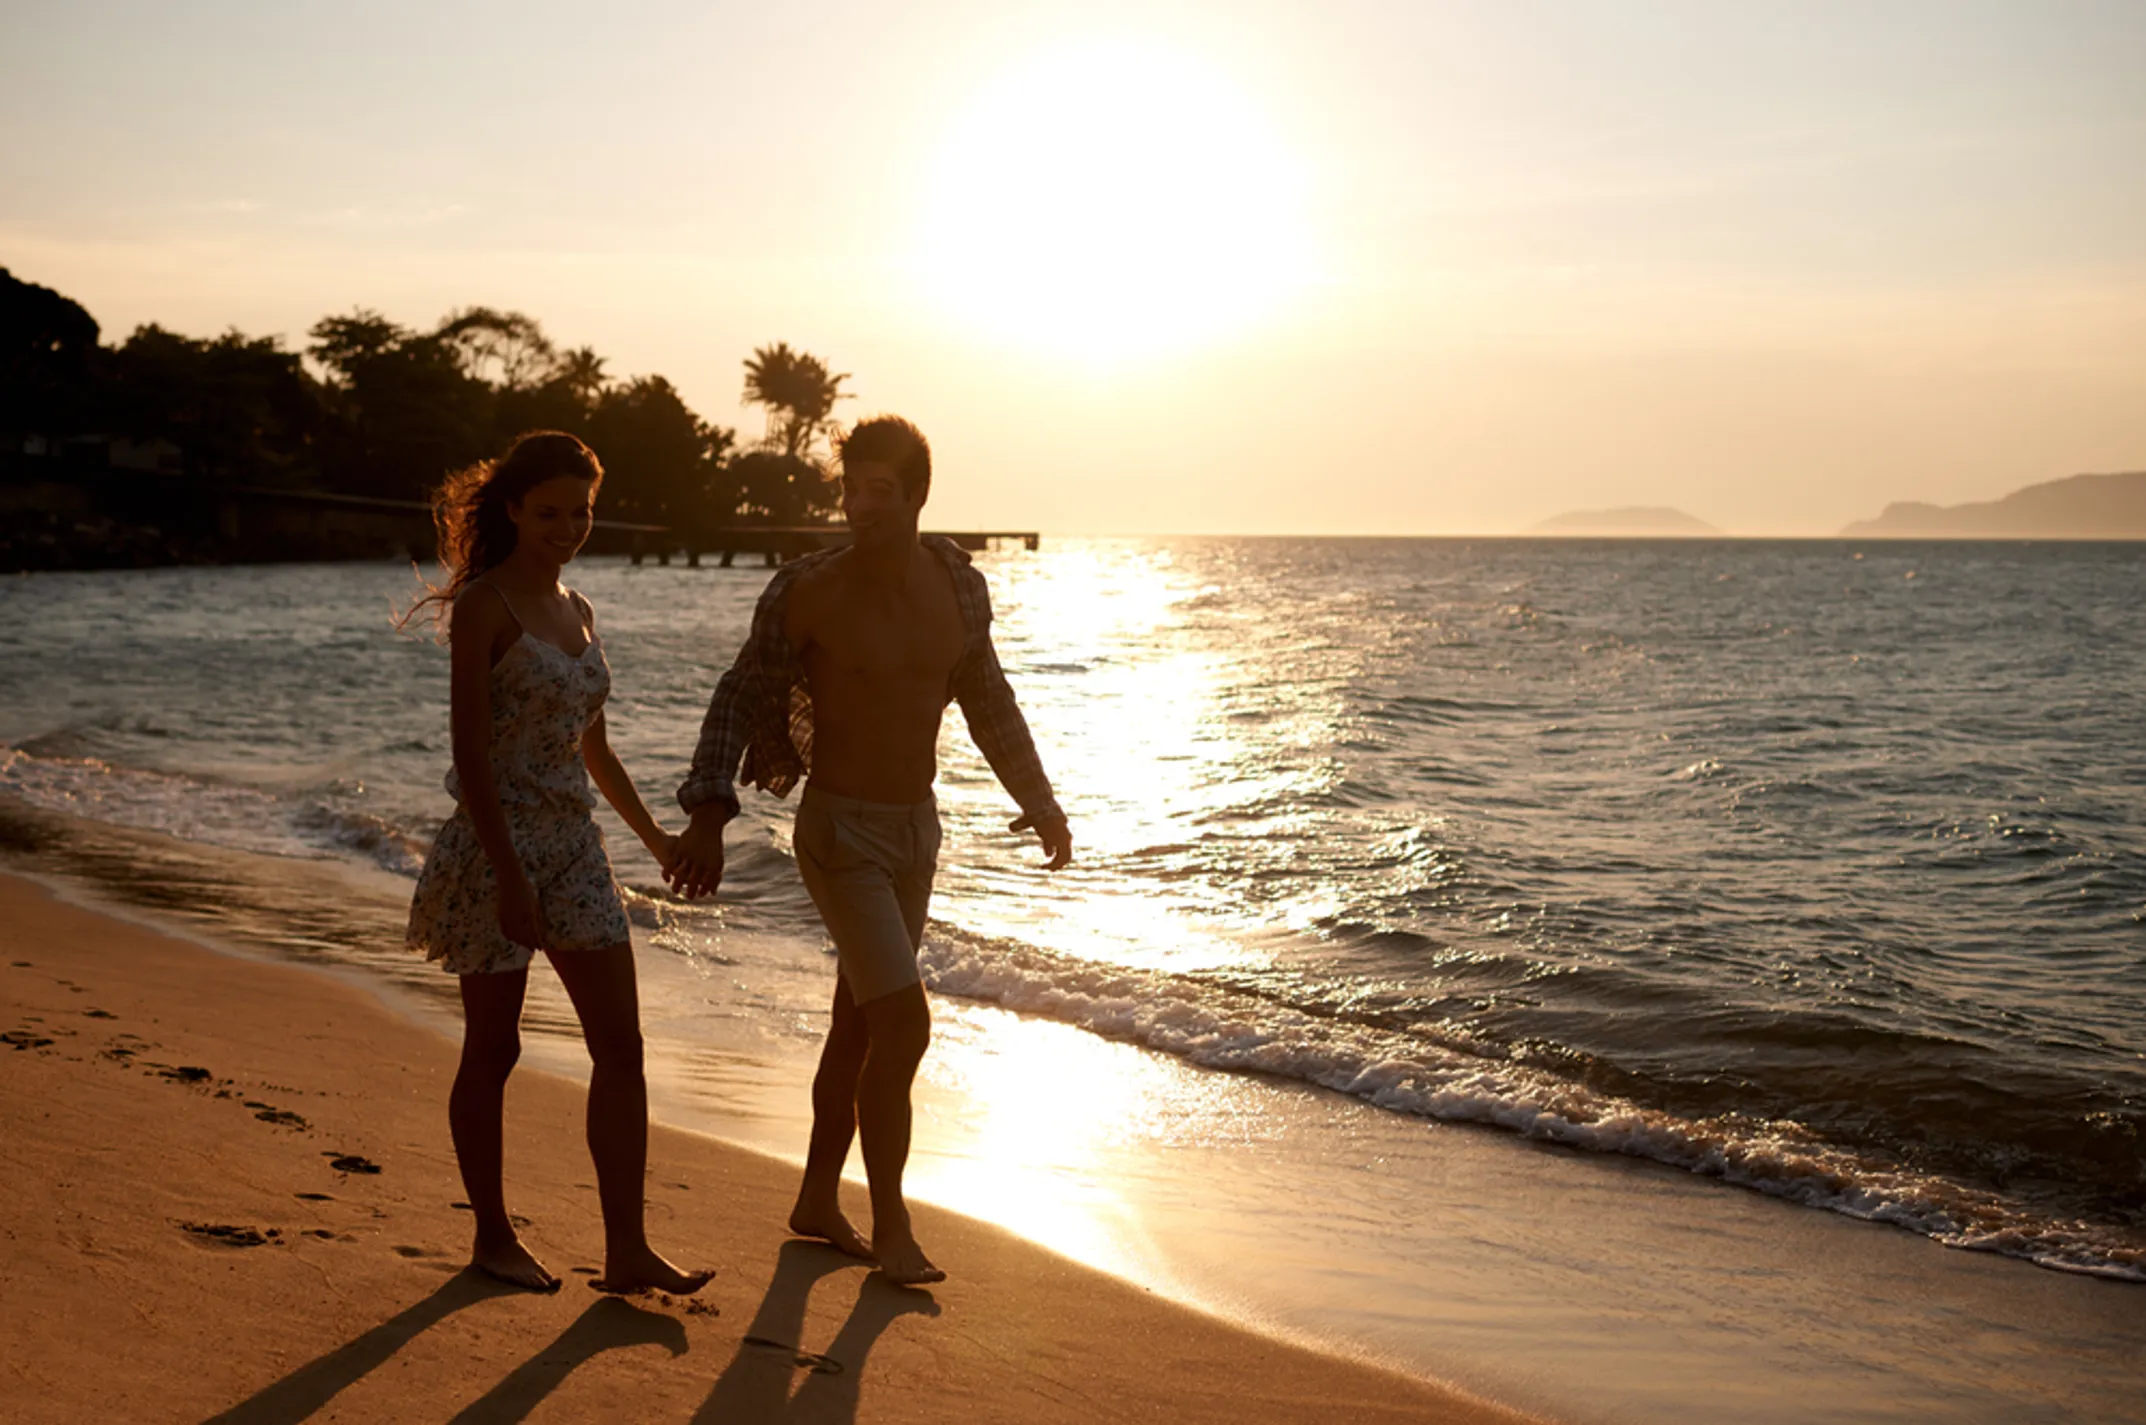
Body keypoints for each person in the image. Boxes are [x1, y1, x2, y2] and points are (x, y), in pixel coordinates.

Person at [666, 415, 1071, 1286]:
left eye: (878, 491)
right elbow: (740, 695)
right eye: (849, 489)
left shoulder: (958, 592)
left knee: (858, 1026)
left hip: (914, 831)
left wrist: (1040, 803)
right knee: (905, 1023)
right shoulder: (805, 591)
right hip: (838, 831)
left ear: (917, 496)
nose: (858, 506)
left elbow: (988, 699)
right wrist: (709, 808)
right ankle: (893, 1227)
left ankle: (818, 1198)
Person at [403, 430, 712, 1296]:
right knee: (493, 1048)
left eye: (581, 510)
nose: (568, 527)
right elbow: (470, 756)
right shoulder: (485, 608)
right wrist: (507, 875)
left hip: (576, 849)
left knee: (622, 1046)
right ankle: (493, 1236)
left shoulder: (580, 610)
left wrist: (656, 843)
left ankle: (627, 1248)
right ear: (511, 509)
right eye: (550, 512)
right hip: (493, 846)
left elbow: (596, 751)